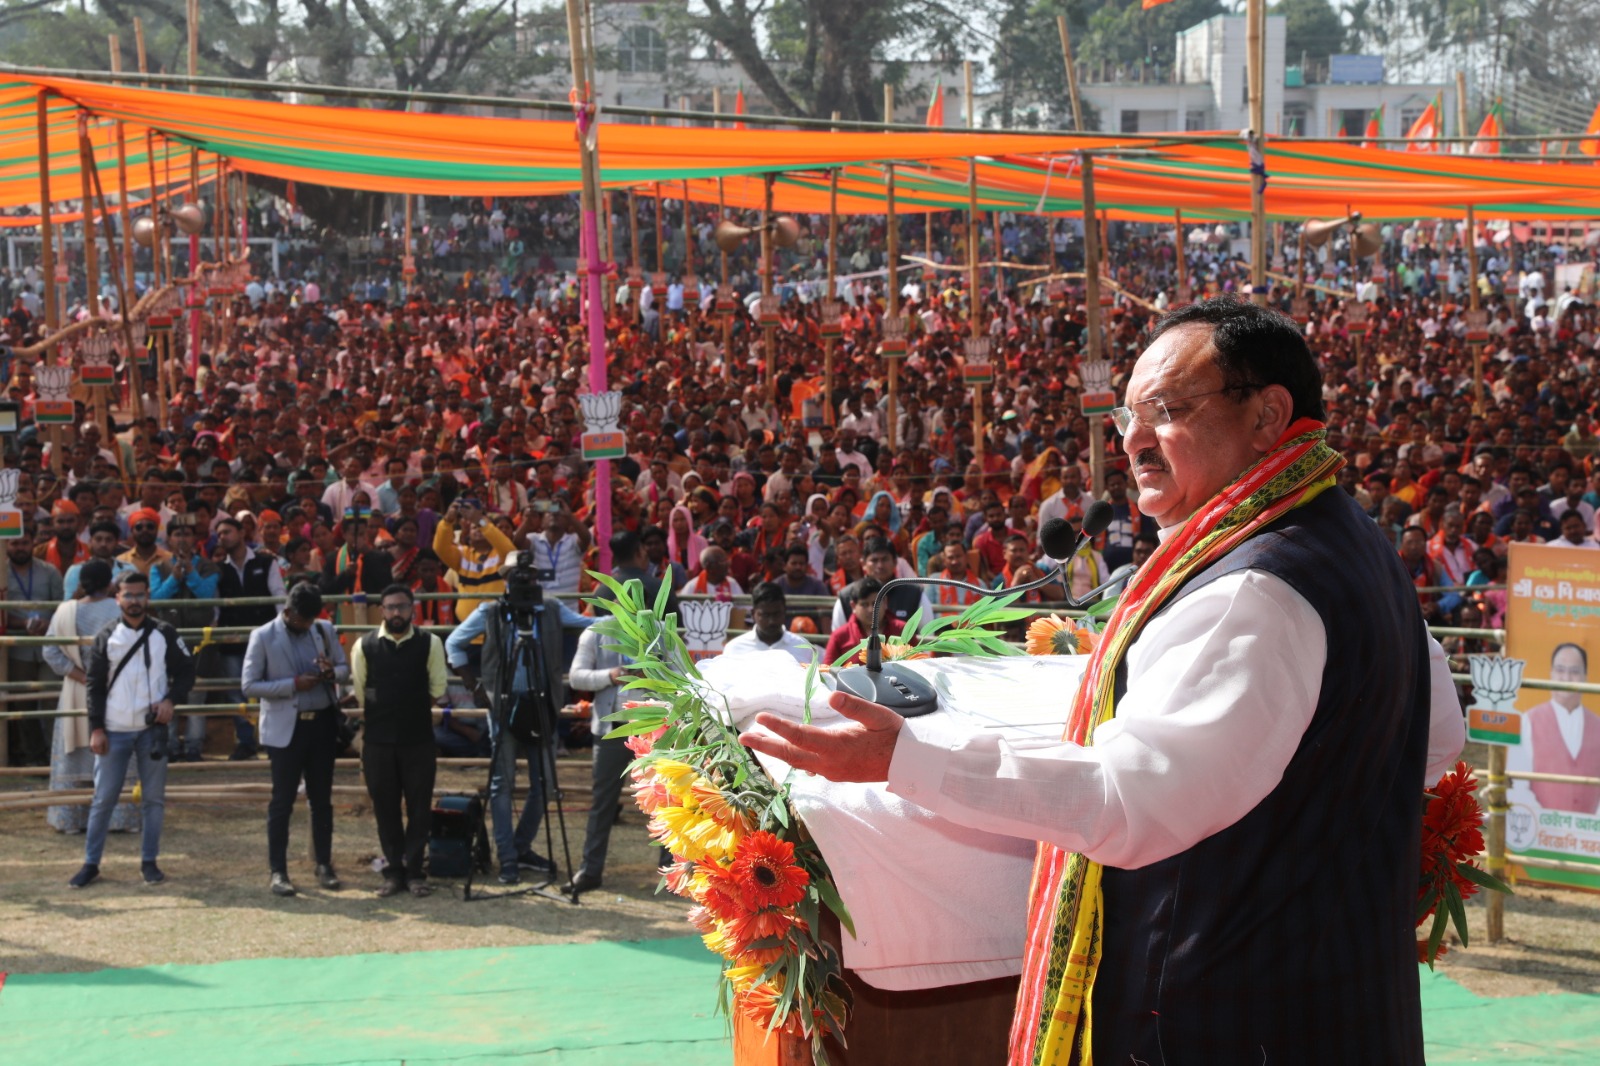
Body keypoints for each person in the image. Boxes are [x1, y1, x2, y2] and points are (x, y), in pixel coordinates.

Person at [742, 298, 1465, 1064]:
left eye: (1167, 411)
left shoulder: (1250, 590)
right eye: (1127, 418)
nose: (1136, 443)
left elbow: (1127, 800)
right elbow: (1437, 738)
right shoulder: (1352, 543)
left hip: (1225, 1017)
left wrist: (908, 759)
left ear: (1267, 415)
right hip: (1343, 1004)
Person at [447, 556, 594, 885]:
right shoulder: (491, 611)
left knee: (544, 785)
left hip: (542, 706)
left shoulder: (552, 609)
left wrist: (628, 616)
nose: (524, 583)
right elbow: (453, 643)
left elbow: (588, 624)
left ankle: (521, 846)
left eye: (529, 576)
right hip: (504, 707)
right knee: (502, 784)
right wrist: (474, 685)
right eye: (517, 577)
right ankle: (507, 857)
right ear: (506, 580)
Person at [68, 571, 195, 888]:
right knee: (103, 799)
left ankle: (149, 862)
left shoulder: (165, 633)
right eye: (128, 595)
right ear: (117, 598)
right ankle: (90, 864)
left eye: (140, 595)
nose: (135, 601)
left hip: (153, 731)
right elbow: (94, 687)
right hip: (114, 730)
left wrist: (171, 701)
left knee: (154, 800)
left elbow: (187, 673)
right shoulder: (106, 636)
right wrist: (96, 729)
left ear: (148, 597)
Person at [241, 581, 351, 897]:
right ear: (288, 612)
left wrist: (331, 673)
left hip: (322, 726)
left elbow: (344, 669)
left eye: (312, 619)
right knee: (282, 801)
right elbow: (249, 686)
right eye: (303, 620)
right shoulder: (262, 636)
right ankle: (278, 870)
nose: (308, 625)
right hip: (285, 729)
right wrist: (291, 685)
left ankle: (324, 864)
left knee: (322, 800)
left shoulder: (325, 630)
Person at [351, 584, 449, 897]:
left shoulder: (430, 643)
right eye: (390, 607)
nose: (396, 613)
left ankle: (415, 873)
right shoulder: (363, 646)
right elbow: (361, 690)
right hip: (378, 742)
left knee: (420, 809)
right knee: (386, 808)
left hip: (418, 739)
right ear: (382, 610)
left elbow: (437, 688)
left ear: (412, 609)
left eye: (402, 607)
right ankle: (393, 872)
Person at [42, 560, 129, 833]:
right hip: (118, 688)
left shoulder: (65, 611)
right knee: (117, 750)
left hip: (78, 688)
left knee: (76, 752)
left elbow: (50, 651)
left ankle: (71, 820)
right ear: (111, 583)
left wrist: (82, 677)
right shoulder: (121, 610)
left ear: (81, 583)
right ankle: (121, 819)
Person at [565, 620, 630, 895]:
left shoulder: (663, 630)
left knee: (665, 804)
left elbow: (680, 676)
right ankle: (590, 871)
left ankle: (675, 877)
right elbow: (576, 677)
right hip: (611, 729)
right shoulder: (595, 632)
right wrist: (611, 675)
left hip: (654, 731)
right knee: (602, 803)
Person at [215, 515, 286, 760]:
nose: (223, 537)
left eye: (227, 532)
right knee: (237, 692)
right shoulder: (218, 568)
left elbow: (279, 596)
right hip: (231, 638)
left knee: (270, 688)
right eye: (220, 533)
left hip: (265, 638)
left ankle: (272, 740)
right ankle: (246, 742)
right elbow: (215, 605)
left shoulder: (267, 562)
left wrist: (282, 631)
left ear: (241, 533)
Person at [1508, 643, 1600, 814]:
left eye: (1574, 671)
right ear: (1551, 674)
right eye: (1560, 670)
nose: (1566, 677)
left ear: (1585, 677)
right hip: (1540, 830)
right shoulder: (1528, 721)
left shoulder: (1598, 726)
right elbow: (1517, 785)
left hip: (1591, 834)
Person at [5, 529, 63, 766]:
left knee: (52, 700)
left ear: (33, 543)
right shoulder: (1, 571)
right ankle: (35, 758)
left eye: (24, 543)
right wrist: (23, 623)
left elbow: (62, 606)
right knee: (23, 703)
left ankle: (57, 757)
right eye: (15, 543)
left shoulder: (49, 571)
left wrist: (49, 623)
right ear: (7, 545)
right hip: (18, 647)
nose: (20, 548)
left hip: (48, 645)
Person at [724, 581, 817, 664]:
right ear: (753, 614)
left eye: (776, 614)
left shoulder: (803, 648)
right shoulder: (734, 649)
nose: (771, 621)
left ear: (784, 612)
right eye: (765, 615)